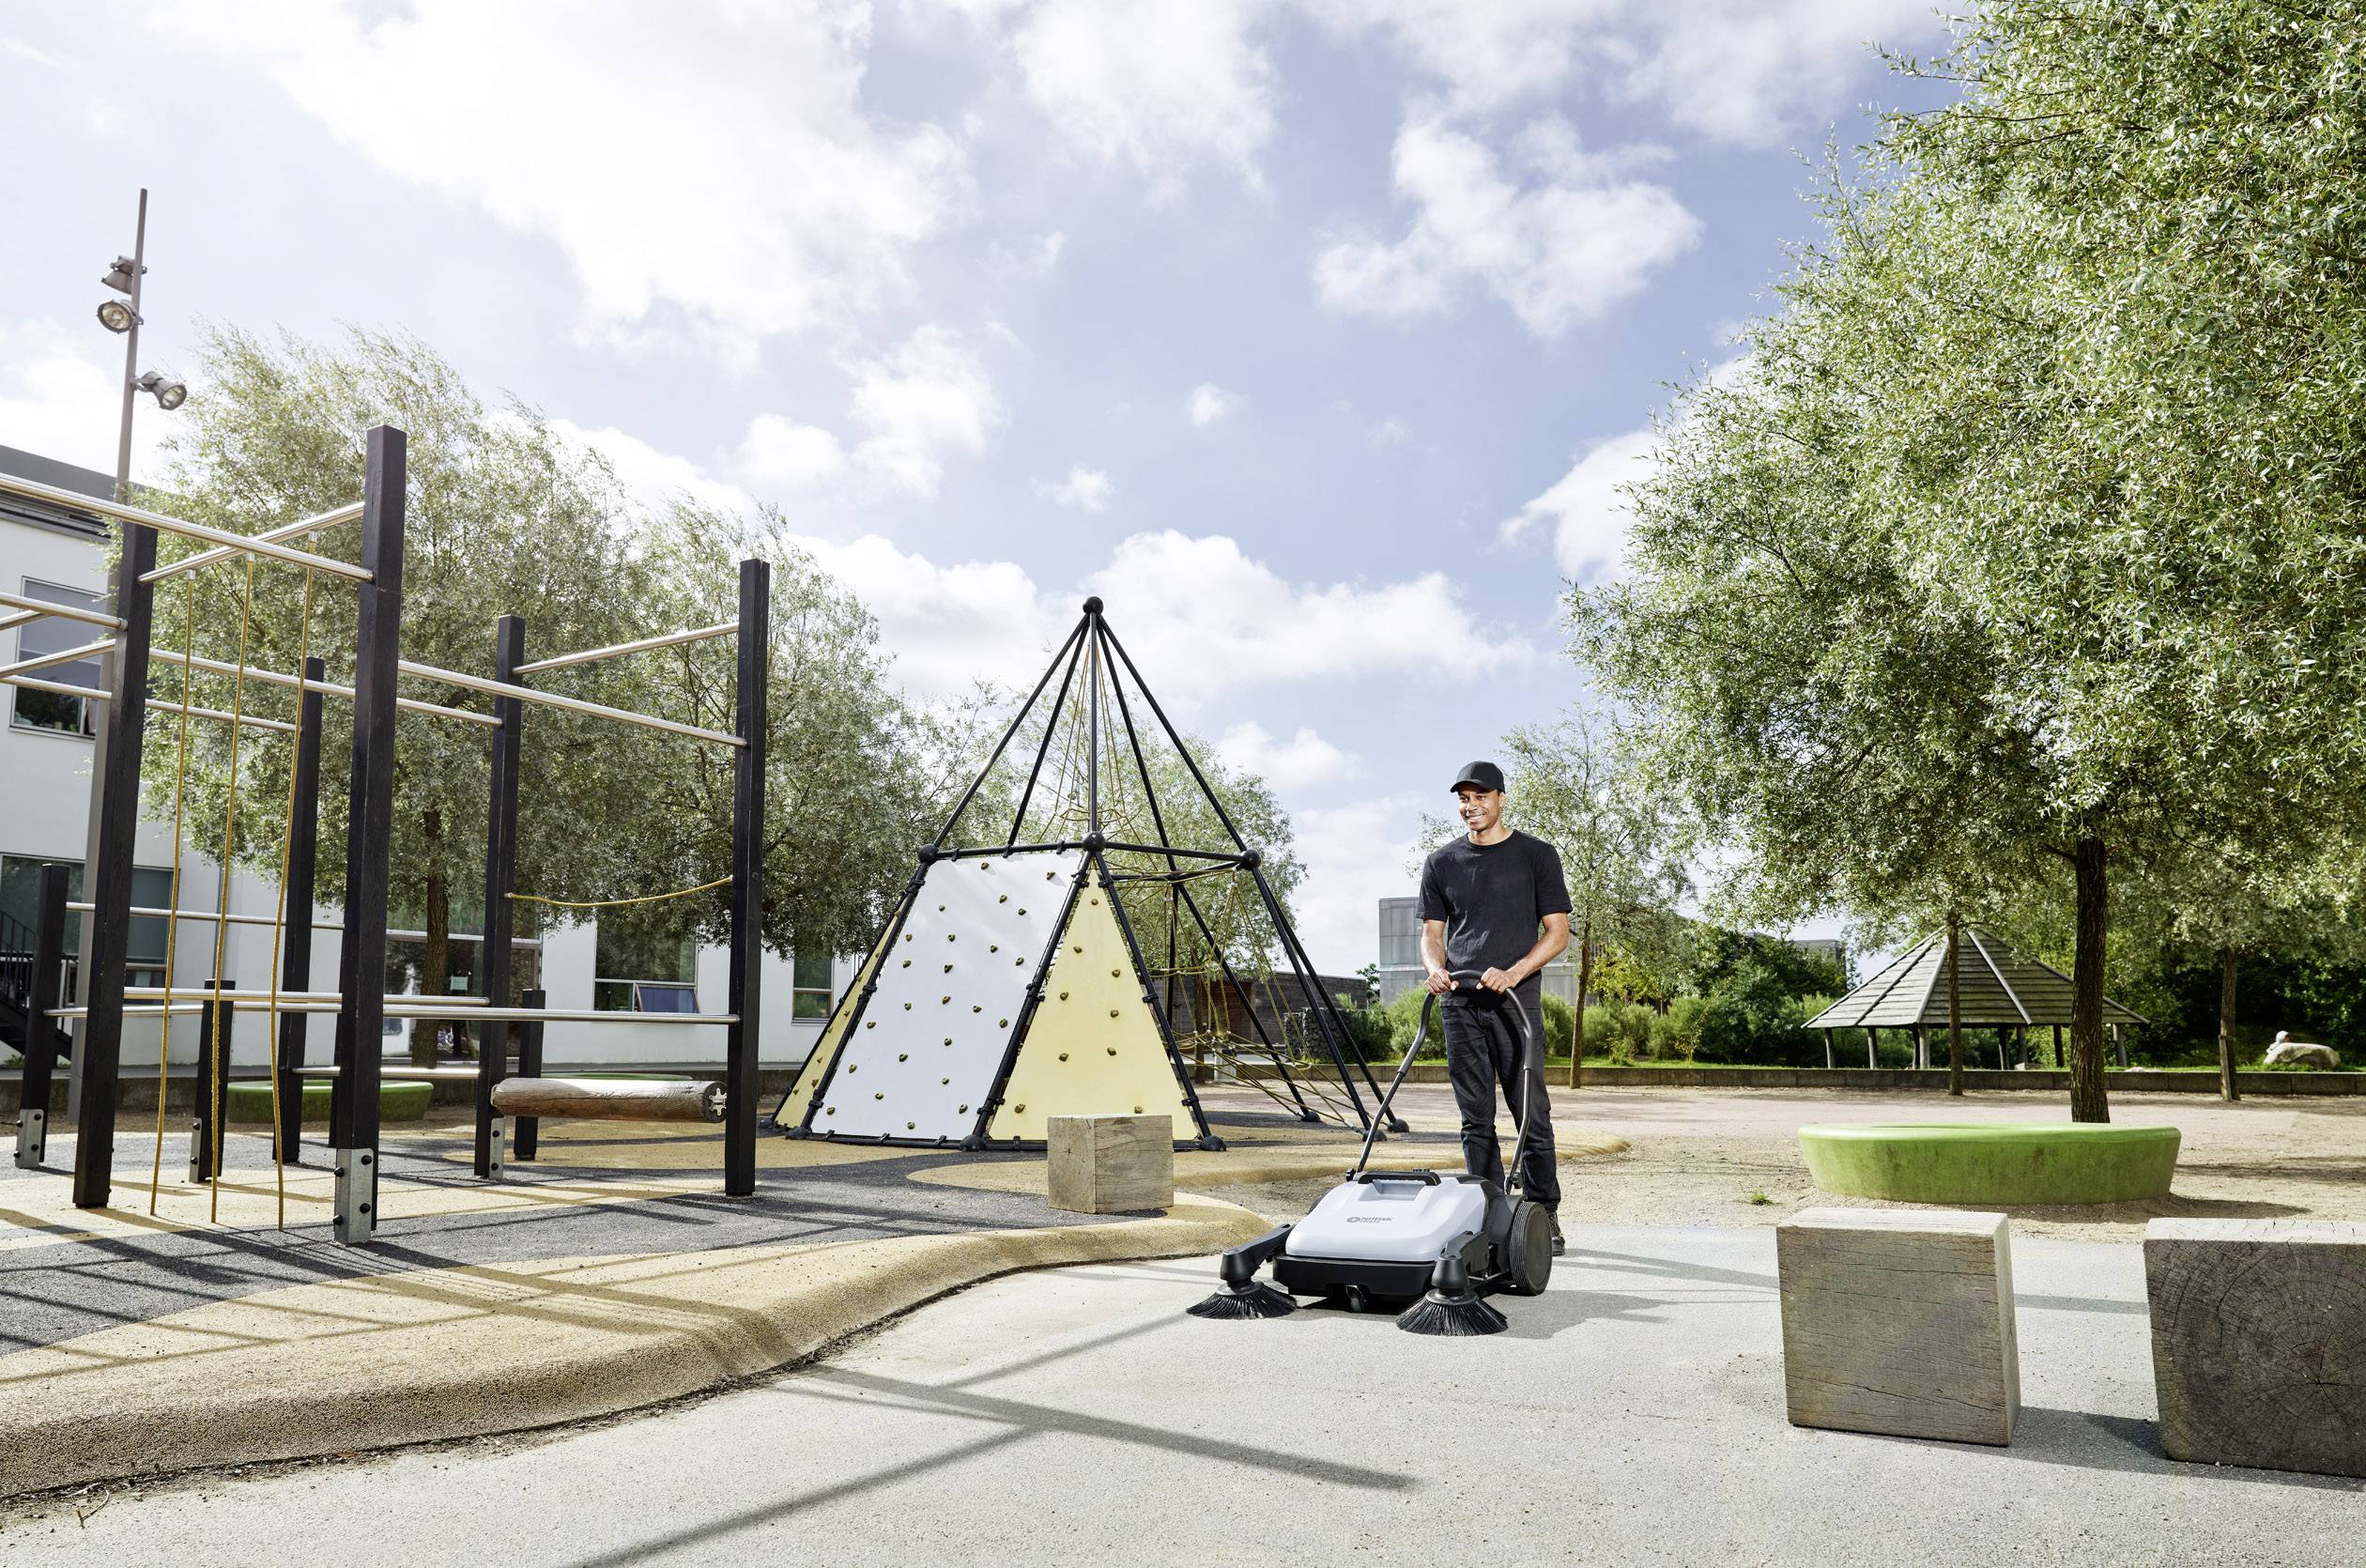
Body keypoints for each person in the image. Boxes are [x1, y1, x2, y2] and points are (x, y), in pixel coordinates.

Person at [1418, 760, 1572, 1253]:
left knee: (1532, 1113)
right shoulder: (1441, 863)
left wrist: (1514, 972)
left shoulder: (1536, 856)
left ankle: (1543, 1214)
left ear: (1501, 798)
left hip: (1515, 1004)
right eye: (1464, 798)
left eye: (1480, 796)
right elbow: (1431, 935)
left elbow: (1558, 933)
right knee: (1474, 1119)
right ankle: (1485, 1213)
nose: (1471, 806)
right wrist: (1434, 968)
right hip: (1460, 1005)